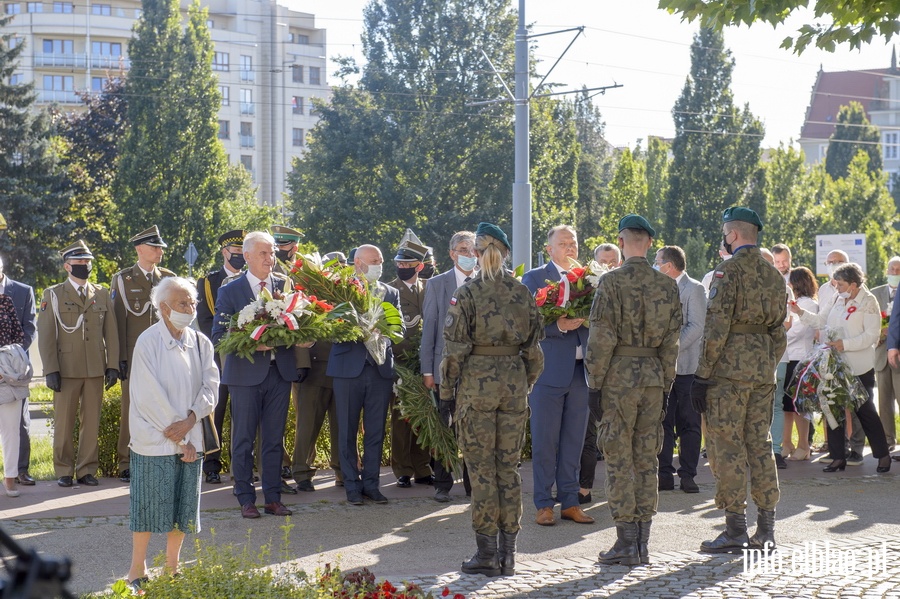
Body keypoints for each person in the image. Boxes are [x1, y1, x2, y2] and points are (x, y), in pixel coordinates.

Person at [440, 222, 544, 577]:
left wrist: (445, 393)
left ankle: (487, 553)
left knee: (482, 472)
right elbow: (534, 353)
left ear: (480, 253)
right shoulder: (522, 291)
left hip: (477, 390)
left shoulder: (468, 293)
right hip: (513, 388)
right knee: (508, 471)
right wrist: (522, 383)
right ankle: (509, 553)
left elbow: (454, 351)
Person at [586, 214, 681, 566]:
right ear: (650, 243)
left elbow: (600, 337)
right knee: (647, 458)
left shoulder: (611, 283)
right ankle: (642, 542)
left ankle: (626, 541)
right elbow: (672, 342)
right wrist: (667, 382)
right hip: (653, 378)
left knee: (618, 459)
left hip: (619, 379)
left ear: (622, 242)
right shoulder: (667, 286)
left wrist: (594, 382)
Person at [690, 207, 786, 554]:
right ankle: (767, 528)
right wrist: (765, 364)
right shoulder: (775, 275)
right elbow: (779, 332)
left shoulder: (726, 271)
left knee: (727, 447)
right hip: (762, 373)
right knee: (760, 445)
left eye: (724, 234)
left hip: (728, 375)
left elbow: (716, 328)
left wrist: (702, 375)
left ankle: (734, 529)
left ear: (731, 235)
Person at [125, 277, 218, 593]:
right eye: (183, 303)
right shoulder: (148, 341)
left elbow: (210, 387)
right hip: (156, 439)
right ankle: (137, 569)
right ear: (164, 308)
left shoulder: (201, 342)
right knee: (149, 506)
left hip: (191, 436)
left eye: (193, 302)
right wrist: (180, 438)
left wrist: (192, 420)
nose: (190, 308)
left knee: (183, 506)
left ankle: (173, 567)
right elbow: (148, 396)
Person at [211, 231, 301, 518]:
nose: (270, 258)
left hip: (279, 371)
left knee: (274, 439)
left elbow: (298, 322)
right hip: (245, 376)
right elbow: (218, 335)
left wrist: (304, 337)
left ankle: (273, 498)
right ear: (247, 256)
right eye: (263, 253)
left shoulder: (284, 287)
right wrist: (252, 341)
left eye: (272, 252)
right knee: (244, 440)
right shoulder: (229, 290)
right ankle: (246, 498)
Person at [521, 225, 593, 526]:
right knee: (545, 440)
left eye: (573, 243)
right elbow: (527, 324)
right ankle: (543, 503)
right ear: (549, 249)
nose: (569, 248)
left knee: (574, 441)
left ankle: (570, 501)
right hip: (548, 372)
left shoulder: (590, 278)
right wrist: (559, 326)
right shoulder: (534, 278)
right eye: (563, 243)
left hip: (581, 373)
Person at [790, 263, 891, 474]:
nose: (837, 288)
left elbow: (871, 336)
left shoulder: (868, 301)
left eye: (841, 284)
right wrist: (800, 312)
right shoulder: (837, 299)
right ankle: (838, 457)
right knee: (833, 410)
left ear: (853, 284)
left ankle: (882, 455)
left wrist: (845, 344)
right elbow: (820, 321)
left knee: (865, 412)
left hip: (858, 367)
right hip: (834, 366)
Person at [327, 244, 404, 505]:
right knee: (346, 431)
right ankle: (351, 486)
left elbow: (400, 327)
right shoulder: (340, 288)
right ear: (358, 263)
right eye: (374, 260)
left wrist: (383, 330)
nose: (379, 265)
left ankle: (372, 484)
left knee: (376, 432)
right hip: (348, 369)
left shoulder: (390, 292)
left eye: (381, 260)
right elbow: (328, 326)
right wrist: (355, 328)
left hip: (380, 370)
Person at [38, 240, 120, 488]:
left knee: (91, 421)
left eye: (88, 261)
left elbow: (112, 333)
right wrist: (51, 369)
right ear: (67, 266)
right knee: (64, 422)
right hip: (66, 368)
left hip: (95, 367)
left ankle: (86, 470)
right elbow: (46, 335)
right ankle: (64, 469)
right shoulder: (52, 295)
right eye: (79, 262)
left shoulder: (101, 293)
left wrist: (112, 365)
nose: (85, 265)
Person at [110, 226, 175, 483]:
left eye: (160, 247)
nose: (160, 251)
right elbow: (117, 322)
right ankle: (126, 461)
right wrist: (119, 359)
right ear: (139, 249)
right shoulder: (123, 279)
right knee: (132, 409)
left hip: (165, 355)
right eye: (154, 247)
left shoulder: (168, 278)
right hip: (135, 357)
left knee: (165, 406)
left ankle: (162, 455)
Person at [420, 231, 476, 502]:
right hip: (444, 370)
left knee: (474, 428)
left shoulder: (485, 281)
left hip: (477, 371)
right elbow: (429, 328)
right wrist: (427, 371)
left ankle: (472, 485)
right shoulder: (437, 284)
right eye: (463, 250)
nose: (469, 255)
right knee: (445, 426)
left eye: (474, 250)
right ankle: (442, 484)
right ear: (452, 253)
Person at [654, 245, 706, 494]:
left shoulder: (694, 288)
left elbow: (696, 327)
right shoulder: (657, 288)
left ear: (670, 265)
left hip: (686, 369)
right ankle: (664, 474)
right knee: (663, 422)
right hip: (662, 370)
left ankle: (687, 474)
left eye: (658, 261)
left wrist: (670, 350)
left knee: (689, 424)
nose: (655, 265)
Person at [196, 229, 246, 484]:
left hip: (247, 358)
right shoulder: (209, 282)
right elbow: (206, 320)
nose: (239, 257)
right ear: (224, 253)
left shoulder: (252, 280)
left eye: (242, 252)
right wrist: (228, 343)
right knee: (215, 411)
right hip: (218, 356)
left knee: (244, 415)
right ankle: (212, 465)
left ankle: (244, 465)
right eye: (236, 252)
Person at [388, 236, 433, 489]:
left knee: (424, 417)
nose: (402, 267)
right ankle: (403, 469)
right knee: (402, 419)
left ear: (419, 266)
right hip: (400, 363)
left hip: (424, 363)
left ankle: (422, 467)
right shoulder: (390, 289)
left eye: (408, 264)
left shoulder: (429, 288)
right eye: (399, 263)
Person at [577, 244, 620, 505]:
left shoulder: (628, 287)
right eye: (603, 262)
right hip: (588, 371)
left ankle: (619, 491)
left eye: (613, 261)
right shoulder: (583, 290)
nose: (608, 266)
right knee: (586, 434)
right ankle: (583, 488)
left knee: (617, 434)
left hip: (621, 374)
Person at [270, 225, 304, 482]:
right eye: (277, 246)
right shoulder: (270, 273)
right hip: (276, 352)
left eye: (284, 246)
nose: (280, 251)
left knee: (301, 414)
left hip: (301, 354)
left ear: (295, 247)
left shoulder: (306, 271)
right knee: (274, 417)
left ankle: (302, 465)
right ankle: (279, 464)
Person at [0, 256, 37, 486]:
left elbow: (28, 329)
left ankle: (17, 473)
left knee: (16, 427)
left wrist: (7, 362)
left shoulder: (22, 292)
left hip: (13, 371)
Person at [292, 338, 343, 491]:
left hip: (344, 365)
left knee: (342, 424)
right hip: (313, 368)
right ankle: (302, 472)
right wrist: (301, 362)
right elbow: (297, 326)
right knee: (308, 425)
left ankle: (343, 470)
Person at [781, 267, 818, 461]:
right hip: (787, 357)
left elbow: (798, 331)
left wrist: (780, 335)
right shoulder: (791, 303)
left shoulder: (809, 304)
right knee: (786, 405)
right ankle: (786, 443)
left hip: (801, 358)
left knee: (800, 405)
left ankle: (804, 444)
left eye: (790, 282)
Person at [0, 294, 31, 498]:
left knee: (12, 431)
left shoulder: (5, 301)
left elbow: (20, 337)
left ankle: (10, 479)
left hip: (8, 376)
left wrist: (7, 364)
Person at [872, 256, 900, 450]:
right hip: (881, 353)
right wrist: (879, 333)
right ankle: (888, 440)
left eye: (899, 270)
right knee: (884, 400)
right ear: (887, 271)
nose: (895, 273)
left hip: (898, 354)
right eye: (893, 269)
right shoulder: (875, 294)